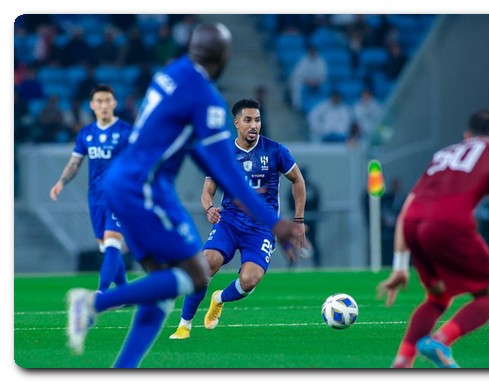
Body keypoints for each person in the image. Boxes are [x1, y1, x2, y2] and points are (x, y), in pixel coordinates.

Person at [65, 23, 306, 368]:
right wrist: (276, 223)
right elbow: (227, 175)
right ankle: (92, 304)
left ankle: (123, 368)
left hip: (129, 182)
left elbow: (197, 151)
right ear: (223, 56)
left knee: (162, 286)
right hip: (143, 189)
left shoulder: (170, 73)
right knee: (194, 273)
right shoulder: (205, 98)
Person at [376, 109, 489, 368]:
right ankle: (441, 340)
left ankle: (402, 361)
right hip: (448, 223)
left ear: (467, 135)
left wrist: (400, 266)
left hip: (413, 223)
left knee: (438, 297)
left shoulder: (443, 154)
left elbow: (408, 206)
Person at [169, 98, 307, 339]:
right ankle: (184, 324)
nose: (254, 125)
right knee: (205, 264)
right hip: (230, 222)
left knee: (250, 280)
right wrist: (209, 207)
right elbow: (208, 191)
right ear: (236, 123)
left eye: (257, 120)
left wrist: (299, 220)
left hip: (262, 229)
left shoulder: (275, 150)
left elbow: (298, 180)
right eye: (248, 120)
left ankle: (218, 299)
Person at [50, 84, 132, 293]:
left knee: (113, 244)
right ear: (92, 105)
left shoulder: (125, 132)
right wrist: (61, 182)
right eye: (99, 101)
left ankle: (102, 292)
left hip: (118, 196)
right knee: (106, 247)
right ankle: (125, 291)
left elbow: (137, 162)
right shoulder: (86, 133)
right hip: (95, 197)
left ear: (114, 103)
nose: (103, 105)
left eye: (107, 101)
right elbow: (75, 163)